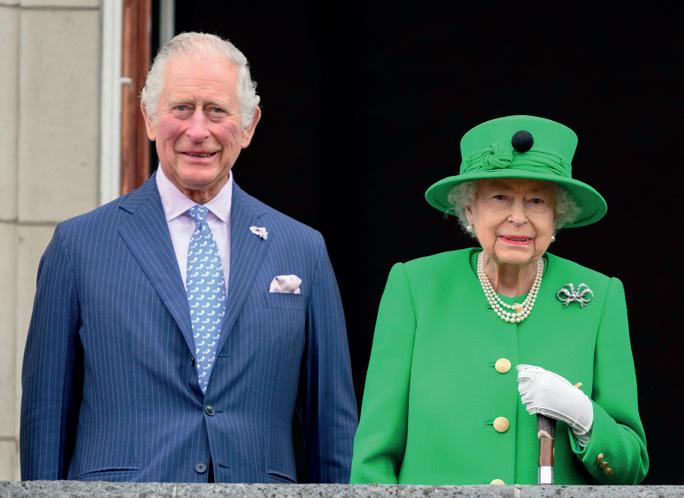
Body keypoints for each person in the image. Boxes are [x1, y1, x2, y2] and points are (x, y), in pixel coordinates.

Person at [20, 32, 357, 483]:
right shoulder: (78, 245)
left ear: (249, 125)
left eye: (216, 110)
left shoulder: (302, 249)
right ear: (149, 118)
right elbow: (45, 419)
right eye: (181, 108)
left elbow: (332, 429)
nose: (198, 131)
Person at [350, 115, 649, 485]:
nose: (518, 217)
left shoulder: (599, 297)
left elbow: (631, 468)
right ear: (470, 210)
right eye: (500, 197)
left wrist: (585, 418)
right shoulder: (415, 287)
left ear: (557, 216)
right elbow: (373, 460)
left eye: (536, 200)